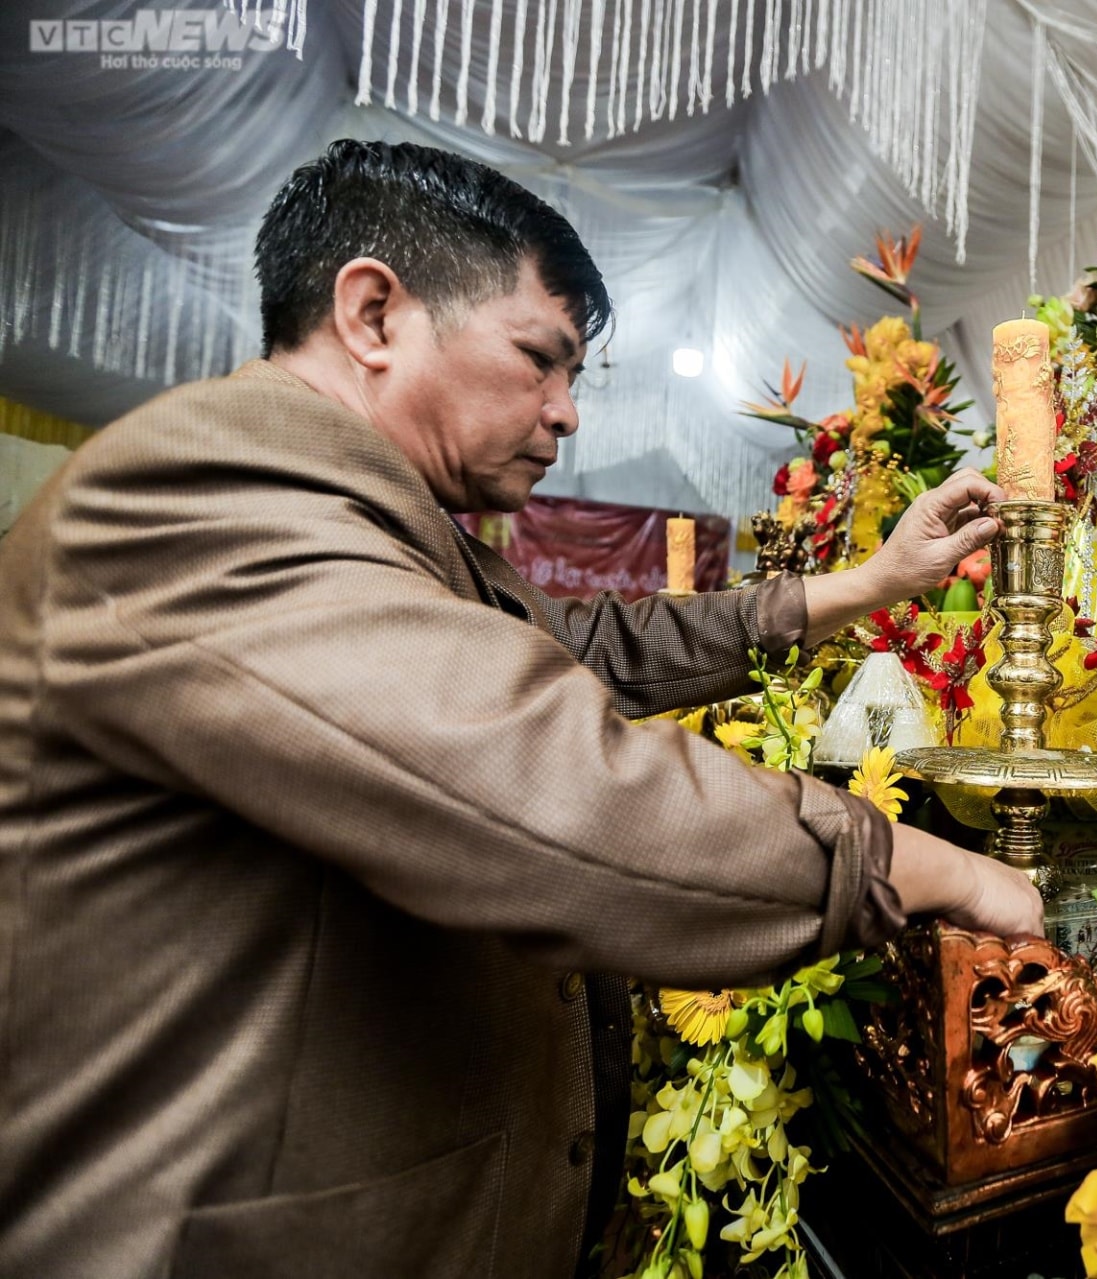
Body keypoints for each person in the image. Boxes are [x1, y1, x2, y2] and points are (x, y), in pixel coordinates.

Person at [0, 139, 1042, 1279]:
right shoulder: (210, 491)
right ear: (372, 314)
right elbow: (556, 787)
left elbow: (578, 646)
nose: (566, 416)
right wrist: (933, 868)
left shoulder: (391, 527)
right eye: (539, 362)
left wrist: (862, 585)